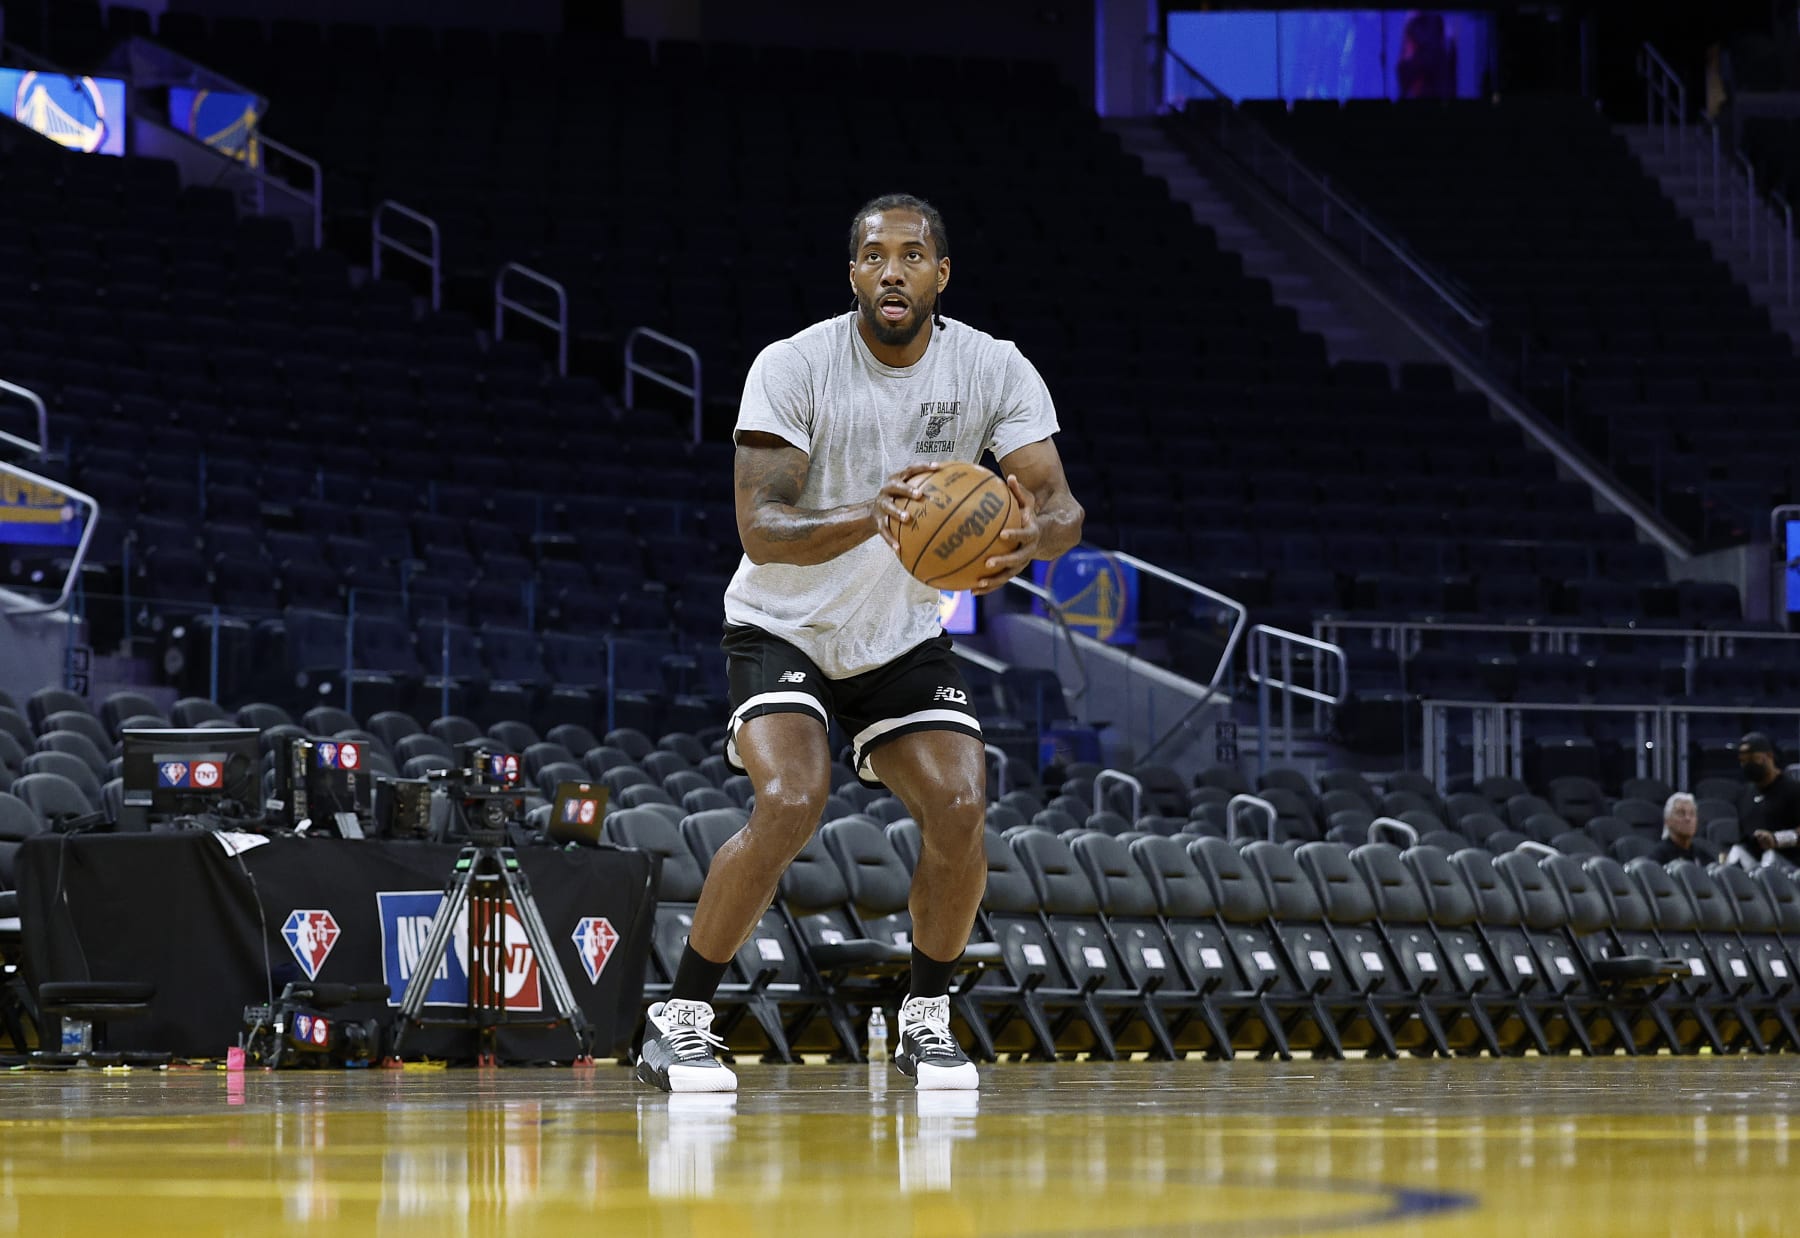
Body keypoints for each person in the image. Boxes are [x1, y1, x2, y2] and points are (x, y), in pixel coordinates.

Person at [635, 193, 1084, 1093]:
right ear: (852, 274)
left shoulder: (993, 368)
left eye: (913, 255)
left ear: (940, 273)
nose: (892, 269)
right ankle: (679, 1016)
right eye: (874, 256)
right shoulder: (794, 365)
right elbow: (760, 526)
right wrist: (873, 514)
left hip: (899, 634)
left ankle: (924, 1016)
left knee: (960, 807)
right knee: (794, 799)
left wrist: (1036, 536)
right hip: (783, 623)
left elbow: (1060, 503)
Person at [1739, 732, 1800, 863]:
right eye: (1743, 761)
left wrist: (1777, 839)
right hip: (1754, 868)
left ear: (1770, 756)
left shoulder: (1793, 789)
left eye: (1754, 758)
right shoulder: (1745, 794)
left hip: (1790, 869)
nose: (1748, 764)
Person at [1649, 792, 1717, 865]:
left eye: (1692, 814)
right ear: (1667, 821)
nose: (1688, 818)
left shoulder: (1703, 856)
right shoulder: (1658, 857)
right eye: (1681, 813)